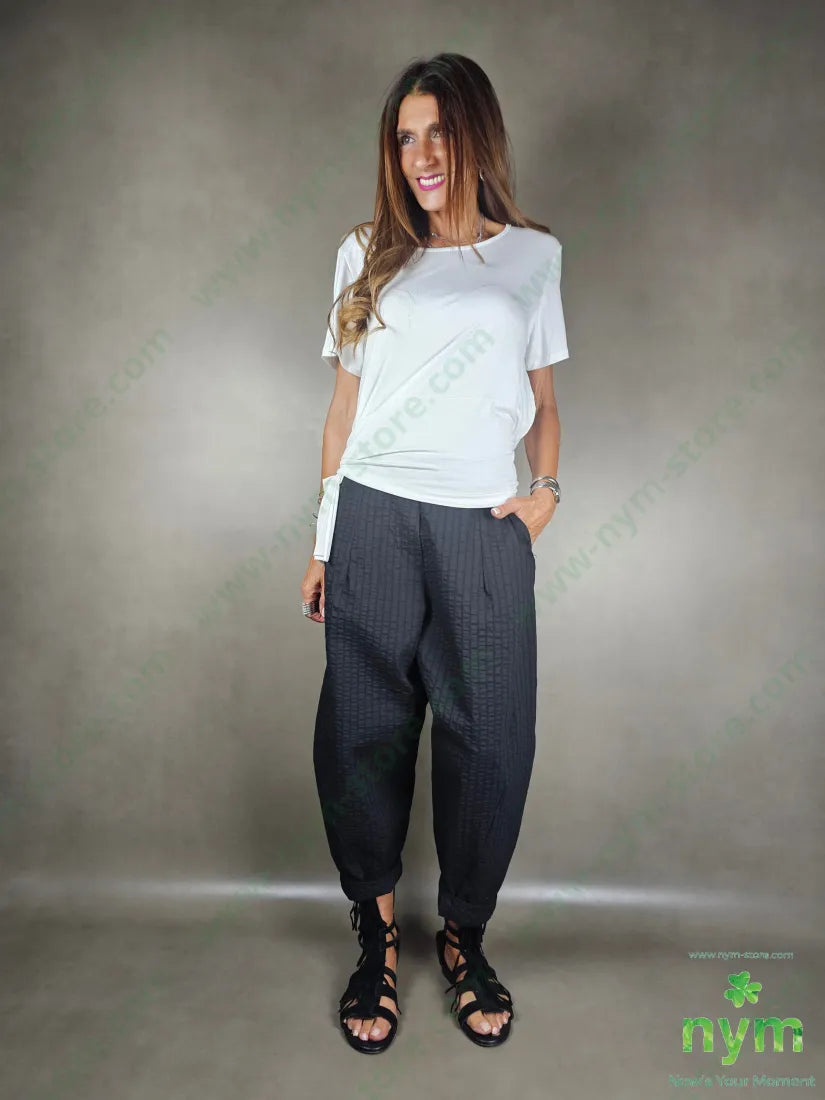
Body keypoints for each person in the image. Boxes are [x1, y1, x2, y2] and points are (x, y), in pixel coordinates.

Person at [300, 52, 570, 1053]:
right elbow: (342, 412)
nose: (420, 155)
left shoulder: (532, 256)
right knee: (361, 733)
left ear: (476, 136)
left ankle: (463, 936)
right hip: (372, 516)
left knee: (490, 739)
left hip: (480, 529)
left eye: (438, 134)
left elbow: (545, 404)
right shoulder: (363, 253)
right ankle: (375, 939)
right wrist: (323, 540)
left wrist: (544, 496)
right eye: (405, 137)